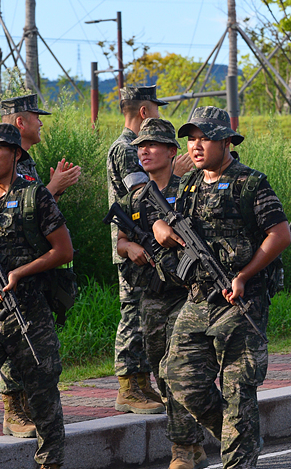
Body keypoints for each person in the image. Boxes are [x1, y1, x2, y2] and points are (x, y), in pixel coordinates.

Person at [154, 106, 291, 469]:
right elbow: (162, 223)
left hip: (242, 299)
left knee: (238, 388)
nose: (196, 146)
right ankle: (240, 435)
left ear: (227, 141)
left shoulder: (251, 183)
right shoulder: (189, 184)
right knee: (179, 376)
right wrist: (163, 232)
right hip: (199, 297)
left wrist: (244, 275)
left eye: (205, 139)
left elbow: (280, 235)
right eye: (192, 139)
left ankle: (239, 455)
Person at [0, 123, 74, 469]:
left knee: (42, 396)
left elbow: (63, 251)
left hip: (30, 312)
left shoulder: (35, 196)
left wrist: (19, 272)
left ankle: (50, 463)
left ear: (16, 154)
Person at [115, 118, 207, 469]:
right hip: (151, 295)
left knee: (178, 370)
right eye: (140, 146)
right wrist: (128, 249)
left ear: (172, 152)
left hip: (187, 293)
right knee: (159, 369)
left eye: (152, 145)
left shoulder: (190, 191)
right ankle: (193, 439)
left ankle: (182, 449)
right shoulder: (133, 197)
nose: (145, 151)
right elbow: (122, 237)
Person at [0, 93, 81, 437]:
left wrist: (51, 193)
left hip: (36, 269)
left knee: (36, 347)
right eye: (36, 116)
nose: (41, 122)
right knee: (11, 338)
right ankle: (12, 407)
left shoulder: (26, 162)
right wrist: (52, 186)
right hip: (11, 272)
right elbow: (0, 207)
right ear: (20, 122)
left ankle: (29, 404)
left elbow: (32, 215)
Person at [107, 86, 167, 413]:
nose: (158, 115)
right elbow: (143, 193)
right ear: (144, 112)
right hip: (130, 244)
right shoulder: (126, 148)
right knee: (132, 312)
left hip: (143, 241)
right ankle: (128, 386)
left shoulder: (132, 147)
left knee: (144, 311)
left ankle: (142, 383)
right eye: (155, 110)